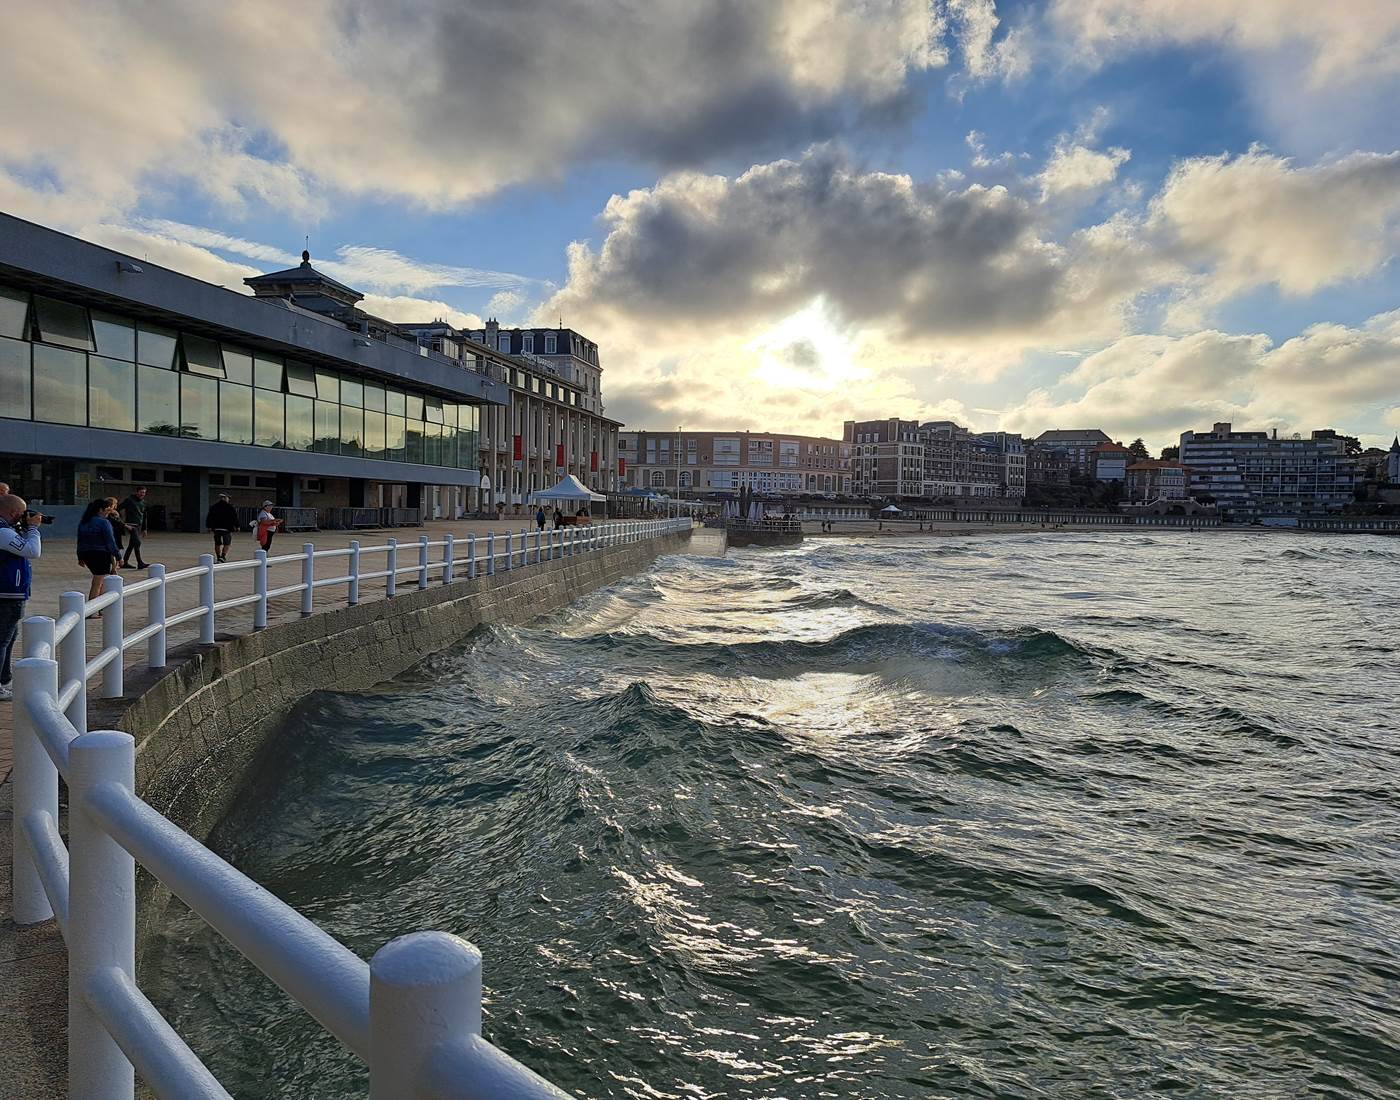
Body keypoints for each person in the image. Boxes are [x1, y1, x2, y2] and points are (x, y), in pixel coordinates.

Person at [0, 493, 43, 702]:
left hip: (10, 592)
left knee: (8, 639)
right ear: (13, 512)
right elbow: (32, 551)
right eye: (21, 513)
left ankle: (4, 678)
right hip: (7, 593)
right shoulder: (3, 532)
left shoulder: (7, 530)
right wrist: (33, 529)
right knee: (2, 640)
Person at [76, 498, 121, 603]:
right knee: (98, 583)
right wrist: (118, 556)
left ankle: (99, 607)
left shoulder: (84, 522)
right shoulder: (104, 522)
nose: (107, 512)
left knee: (99, 582)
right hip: (101, 554)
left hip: (86, 554)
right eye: (106, 510)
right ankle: (93, 609)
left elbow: (80, 541)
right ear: (100, 510)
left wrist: (80, 557)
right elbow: (110, 542)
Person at [119, 486, 149, 569]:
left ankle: (124, 562)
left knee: (132, 544)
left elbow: (144, 516)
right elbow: (118, 508)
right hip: (131, 525)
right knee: (137, 543)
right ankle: (140, 562)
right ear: (137, 492)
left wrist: (144, 529)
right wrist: (122, 522)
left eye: (144, 492)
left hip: (138, 525)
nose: (142, 494)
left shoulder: (143, 502)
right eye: (141, 492)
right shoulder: (129, 500)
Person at [206, 493, 238, 564]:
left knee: (217, 543)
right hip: (227, 529)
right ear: (225, 498)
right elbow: (234, 517)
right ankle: (223, 557)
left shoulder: (214, 507)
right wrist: (237, 526)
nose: (228, 499)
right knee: (227, 543)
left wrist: (209, 526)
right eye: (228, 498)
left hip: (216, 528)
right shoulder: (230, 507)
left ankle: (218, 557)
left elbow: (209, 517)